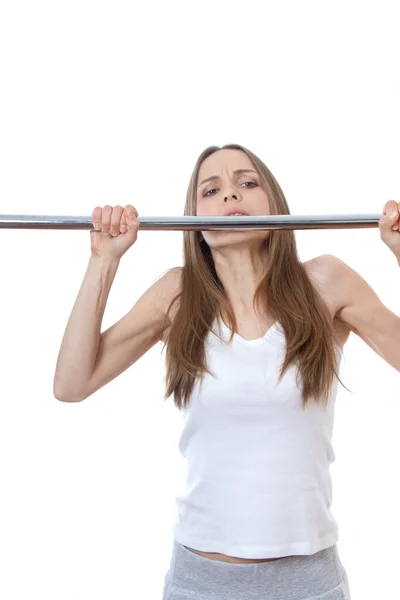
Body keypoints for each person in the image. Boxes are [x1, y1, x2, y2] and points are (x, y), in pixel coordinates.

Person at [54, 144, 400, 600]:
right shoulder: (176, 296)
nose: (230, 196)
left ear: (273, 203)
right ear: (195, 223)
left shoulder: (326, 283)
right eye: (211, 190)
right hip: (200, 581)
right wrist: (104, 260)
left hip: (308, 582)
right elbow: (71, 384)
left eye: (247, 183)